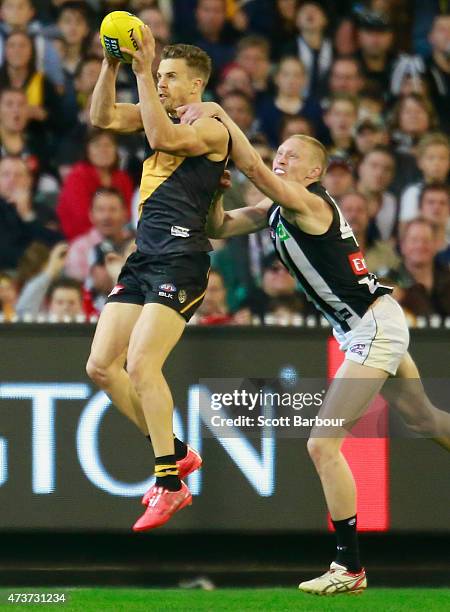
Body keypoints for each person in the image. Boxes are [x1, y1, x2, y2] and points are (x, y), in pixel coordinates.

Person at [177, 99, 450, 595]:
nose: (280, 158)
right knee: (425, 420)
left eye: (290, 155)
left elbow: (255, 169)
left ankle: (349, 567)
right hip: (368, 324)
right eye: (279, 152)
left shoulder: (311, 202)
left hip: (373, 327)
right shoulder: (278, 208)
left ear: (315, 171)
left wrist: (218, 114)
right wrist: (216, 195)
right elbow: (220, 228)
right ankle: (349, 567)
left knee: (322, 444)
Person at [86, 28, 230, 532]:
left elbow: (163, 140)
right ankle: (178, 452)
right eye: (161, 75)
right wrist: (112, 65)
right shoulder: (159, 112)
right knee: (102, 367)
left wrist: (144, 69)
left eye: (172, 77)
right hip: (145, 257)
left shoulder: (213, 128)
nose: (163, 84)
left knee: (143, 364)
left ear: (197, 85)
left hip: (182, 259)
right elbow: (101, 117)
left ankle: (169, 484)